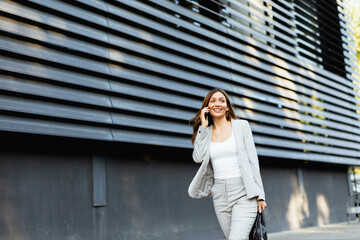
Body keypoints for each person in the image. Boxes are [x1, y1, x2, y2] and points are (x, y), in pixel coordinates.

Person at [188, 88, 267, 240]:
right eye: (213, 101)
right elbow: (198, 157)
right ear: (207, 107)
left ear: (228, 107)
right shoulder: (205, 131)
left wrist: (260, 196)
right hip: (219, 195)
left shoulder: (241, 126)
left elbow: (252, 161)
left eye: (221, 100)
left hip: (244, 193)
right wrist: (203, 127)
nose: (217, 103)